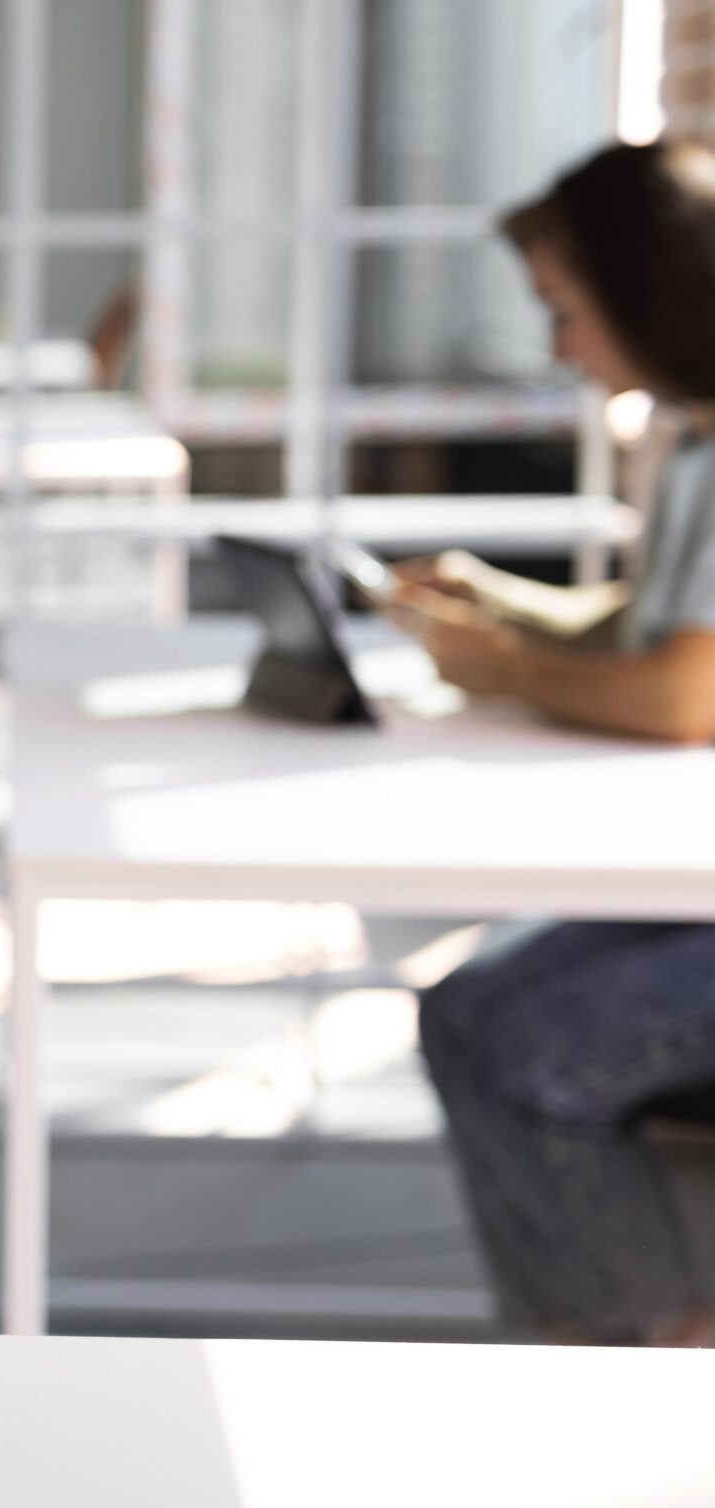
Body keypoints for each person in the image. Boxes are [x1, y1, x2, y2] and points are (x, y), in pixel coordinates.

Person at [403, 140, 715, 1346]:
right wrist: (504, 603)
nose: (558, 348)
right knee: (462, 1010)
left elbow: (685, 693)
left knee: (537, 1053)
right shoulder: (694, 442)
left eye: (563, 311)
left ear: (647, 291)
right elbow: (652, 629)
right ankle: (571, 1345)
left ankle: (654, 1376)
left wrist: (496, 665)